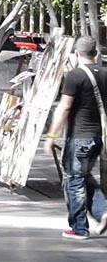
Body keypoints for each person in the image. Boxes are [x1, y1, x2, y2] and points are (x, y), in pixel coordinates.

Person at [44, 36, 107, 240]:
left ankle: (79, 228)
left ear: (76, 53)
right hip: (97, 136)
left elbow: (65, 106)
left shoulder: (75, 76)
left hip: (79, 137)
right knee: (84, 176)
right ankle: (103, 212)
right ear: (95, 53)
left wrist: (52, 135)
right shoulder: (105, 73)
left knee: (74, 180)